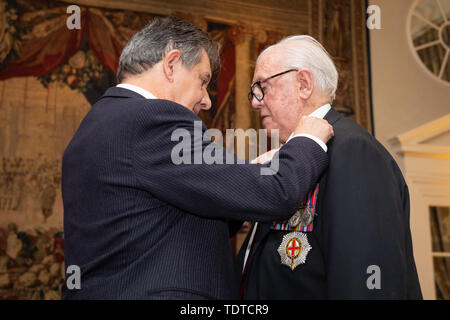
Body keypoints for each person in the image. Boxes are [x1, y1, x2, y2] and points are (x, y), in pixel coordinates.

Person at [61, 17, 334, 299]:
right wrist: (307, 139)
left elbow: (160, 222)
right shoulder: (152, 119)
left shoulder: (96, 125)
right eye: (203, 81)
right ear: (171, 65)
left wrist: (246, 174)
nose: (206, 100)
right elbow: (276, 193)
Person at [236, 35, 423, 299]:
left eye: (262, 87)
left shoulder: (352, 150)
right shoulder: (290, 156)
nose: (255, 101)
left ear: (303, 84)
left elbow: (365, 280)